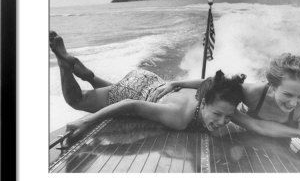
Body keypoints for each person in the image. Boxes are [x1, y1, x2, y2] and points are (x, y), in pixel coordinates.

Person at [151, 53, 300, 169]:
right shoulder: (252, 92)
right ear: (271, 86)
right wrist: (177, 83)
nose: (294, 103)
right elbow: (216, 84)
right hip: (246, 139)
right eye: (288, 95)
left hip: (281, 145)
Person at [49, 31, 246, 143]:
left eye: (228, 117)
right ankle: (65, 65)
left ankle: (91, 77)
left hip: (152, 82)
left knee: (113, 91)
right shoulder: (179, 118)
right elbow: (131, 104)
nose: (222, 122)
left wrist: (177, 83)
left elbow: (211, 81)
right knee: (77, 100)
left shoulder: (211, 92)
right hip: (133, 91)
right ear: (203, 103)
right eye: (218, 114)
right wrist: (86, 122)